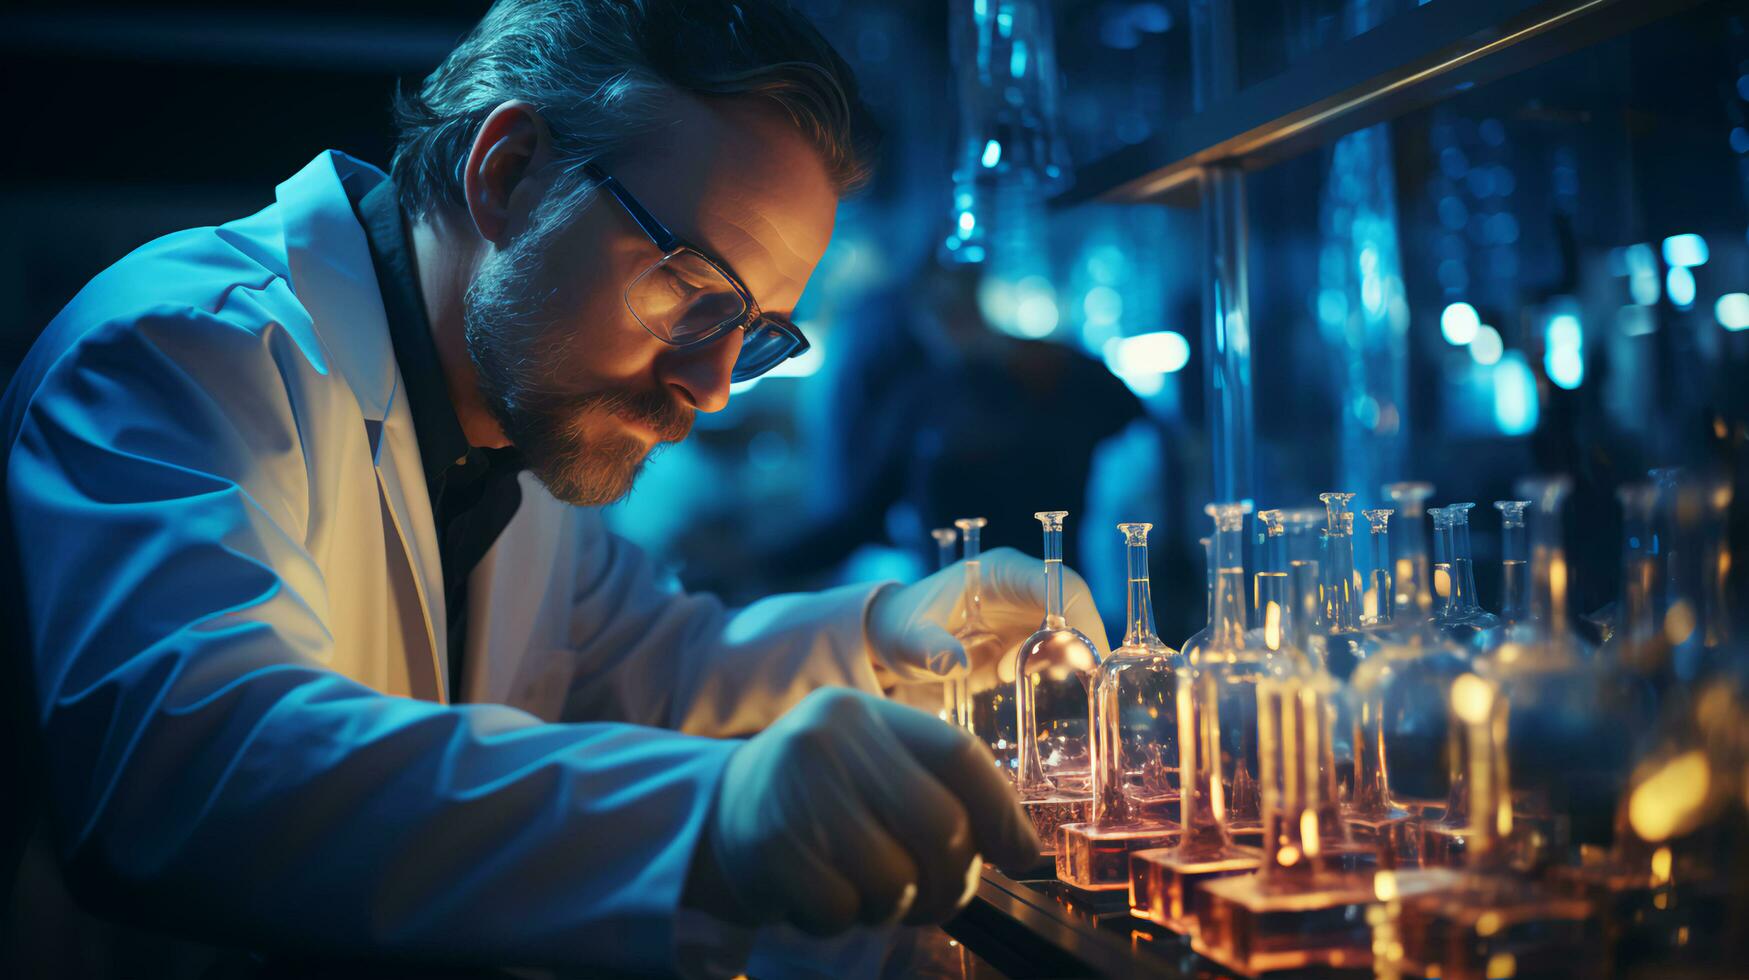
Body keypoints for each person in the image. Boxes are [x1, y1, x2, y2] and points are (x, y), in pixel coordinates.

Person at [0, 1, 1110, 976]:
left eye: (756, 333)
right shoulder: (188, 352)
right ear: (508, 175)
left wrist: (885, 631)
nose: (714, 387)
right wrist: (708, 821)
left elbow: (657, 666)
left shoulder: (514, 432)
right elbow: (195, 773)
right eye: (694, 292)